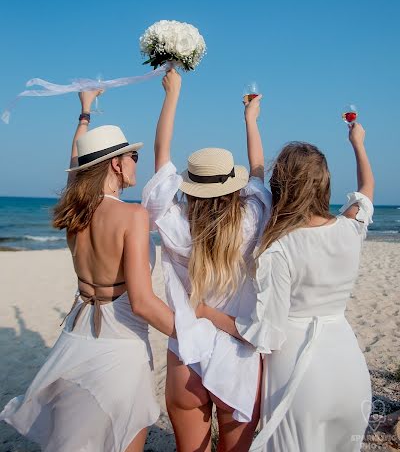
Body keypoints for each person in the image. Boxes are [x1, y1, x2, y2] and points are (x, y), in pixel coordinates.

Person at [0, 90, 175, 452]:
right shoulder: (133, 216)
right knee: (124, 436)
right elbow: (142, 302)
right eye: (133, 156)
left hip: (77, 337)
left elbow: (77, 160)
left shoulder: (73, 210)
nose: (135, 163)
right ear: (115, 164)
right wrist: (194, 336)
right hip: (121, 345)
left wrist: (84, 113)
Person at [197, 122, 374, 451]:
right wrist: (358, 143)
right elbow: (366, 192)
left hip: (300, 378)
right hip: (349, 369)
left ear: (280, 187)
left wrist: (208, 313)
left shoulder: (278, 249)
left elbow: (266, 333)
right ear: (325, 185)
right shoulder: (351, 229)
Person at [142, 69, 272, 451]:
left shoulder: (174, 222)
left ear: (191, 183)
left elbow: (161, 161)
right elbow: (260, 172)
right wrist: (250, 121)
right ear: (232, 181)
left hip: (187, 352)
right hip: (240, 353)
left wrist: (172, 94)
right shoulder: (253, 216)